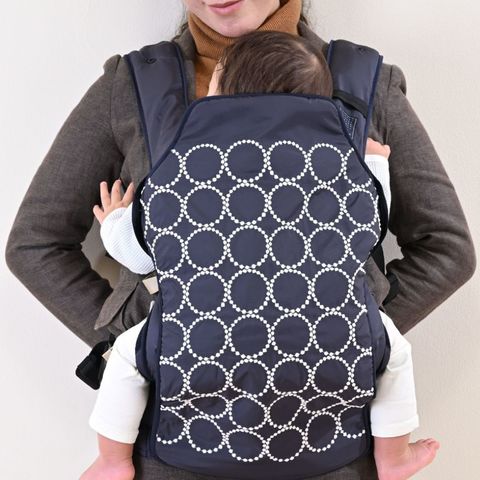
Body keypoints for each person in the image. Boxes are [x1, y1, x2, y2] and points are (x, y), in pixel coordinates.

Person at [4, 0, 475, 479]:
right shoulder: (133, 86)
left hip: (330, 438)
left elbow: (446, 247)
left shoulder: (365, 82)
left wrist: (340, 332)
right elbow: (36, 244)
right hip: (170, 439)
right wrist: (146, 342)